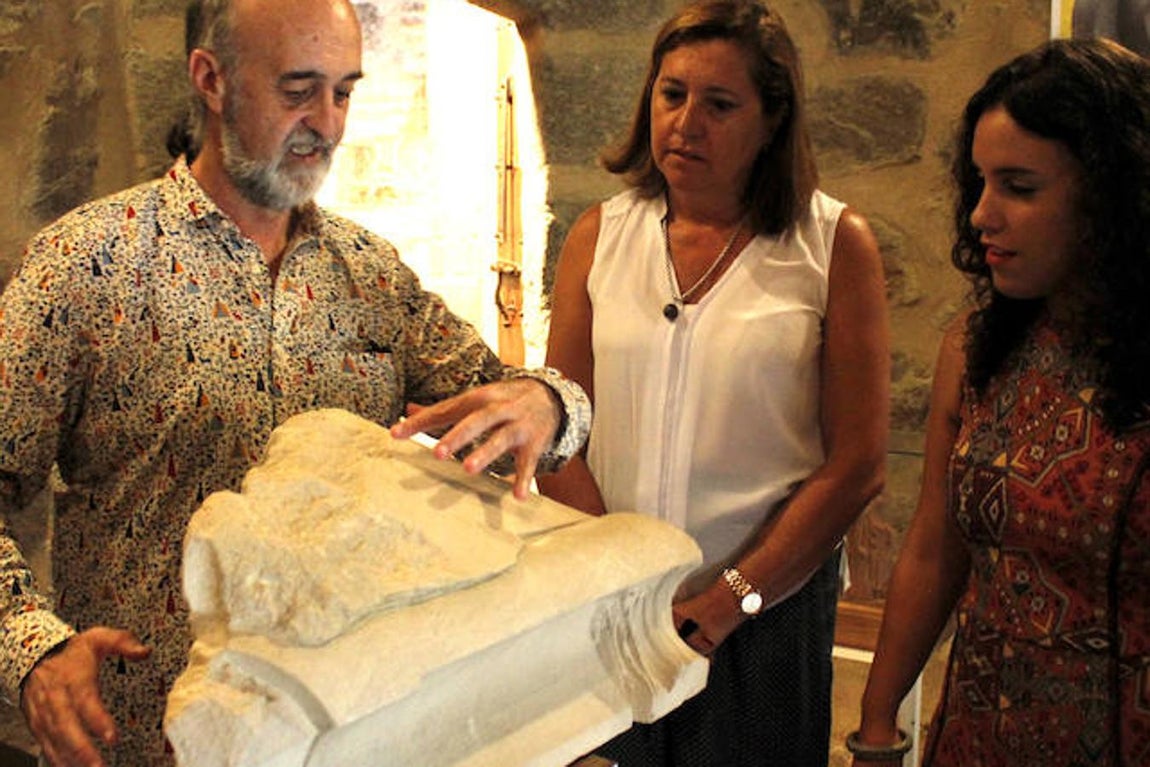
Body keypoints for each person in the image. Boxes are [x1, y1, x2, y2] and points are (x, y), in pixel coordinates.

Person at [0, 0, 591, 765]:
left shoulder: (371, 276)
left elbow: (521, 407)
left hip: (351, 739)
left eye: (344, 91)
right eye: (297, 90)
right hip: (146, 740)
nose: (329, 122)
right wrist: (34, 652)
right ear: (211, 80)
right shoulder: (86, 266)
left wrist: (548, 401)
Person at [537, 1, 889, 764]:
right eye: (672, 94)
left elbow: (857, 463)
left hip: (765, 613)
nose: (686, 122)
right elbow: (560, 428)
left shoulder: (829, 246)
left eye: (720, 104)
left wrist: (729, 599)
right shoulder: (600, 236)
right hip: (620, 608)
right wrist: (619, 575)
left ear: (771, 121)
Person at [848, 38, 1150, 767]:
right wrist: (878, 722)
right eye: (979, 182)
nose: (982, 213)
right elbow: (933, 547)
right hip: (980, 733)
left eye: (1018, 186)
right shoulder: (978, 346)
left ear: (1111, 194)